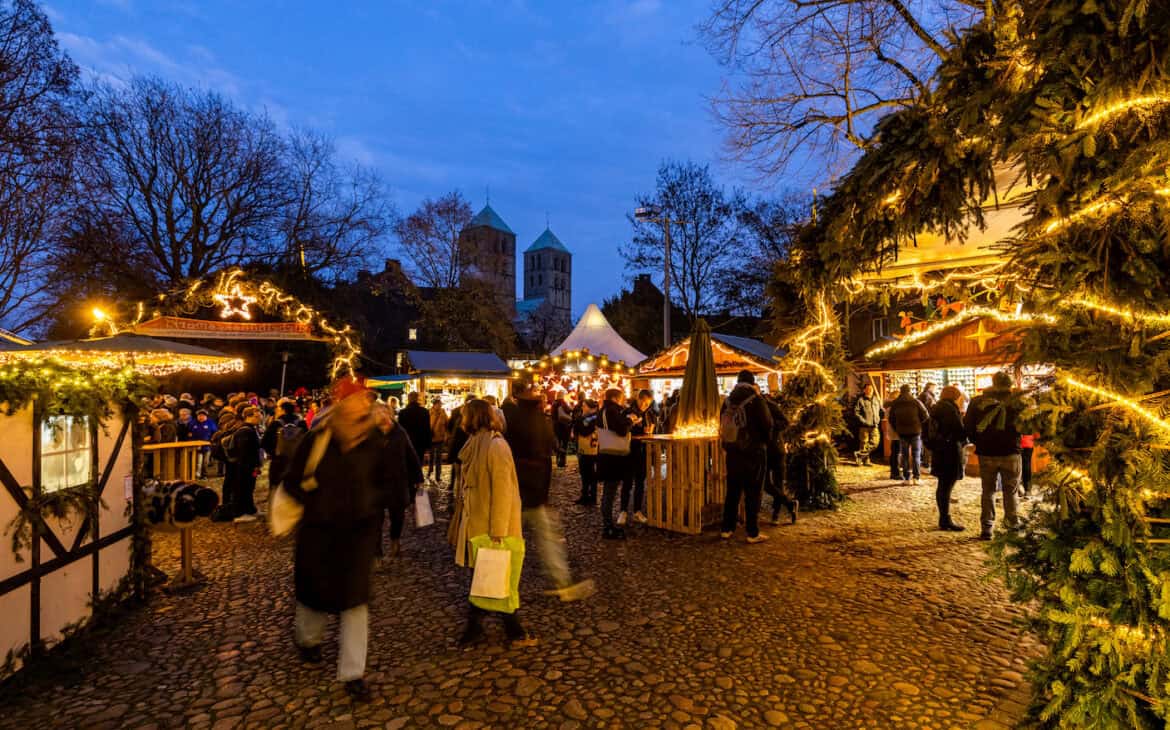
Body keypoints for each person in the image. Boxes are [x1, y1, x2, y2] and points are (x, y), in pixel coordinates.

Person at [280, 377, 393, 701]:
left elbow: (385, 478)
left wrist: (377, 505)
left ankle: (353, 672)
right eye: (359, 398)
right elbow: (292, 481)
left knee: (355, 603)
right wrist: (312, 502)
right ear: (342, 403)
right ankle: (309, 640)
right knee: (314, 594)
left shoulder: (374, 439)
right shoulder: (317, 439)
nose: (365, 404)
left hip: (358, 534)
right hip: (319, 531)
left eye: (367, 399)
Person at [452, 399, 535, 647]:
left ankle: (502, 629)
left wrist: (498, 530)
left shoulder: (496, 446)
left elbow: (503, 491)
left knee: (494, 577)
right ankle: (499, 629)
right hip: (478, 524)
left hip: (493, 527)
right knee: (487, 577)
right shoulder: (475, 443)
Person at [504, 383, 595, 602]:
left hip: (518, 489)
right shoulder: (541, 422)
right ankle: (562, 582)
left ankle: (495, 581)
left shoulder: (513, 422)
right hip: (534, 490)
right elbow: (547, 455)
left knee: (510, 539)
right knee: (546, 539)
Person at [964, 371, 1028, 540]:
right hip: (1011, 451)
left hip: (987, 452)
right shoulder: (1017, 402)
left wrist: (978, 440)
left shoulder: (978, 401)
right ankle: (1012, 525)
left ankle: (987, 527)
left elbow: (968, 426)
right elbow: (1026, 425)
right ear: (1010, 384)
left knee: (988, 491)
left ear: (992, 382)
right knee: (1011, 491)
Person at [719, 371, 774, 543]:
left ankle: (727, 528)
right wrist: (764, 443)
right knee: (753, 493)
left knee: (732, 491)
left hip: (733, 452)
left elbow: (722, 424)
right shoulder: (756, 400)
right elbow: (768, 424)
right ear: (752, 383)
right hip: (753, 452)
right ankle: (752, 532)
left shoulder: (728, 401)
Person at [371, 402, 423, 560]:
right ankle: (376, 552)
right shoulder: (369, 434)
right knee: (375, 520)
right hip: (375, 483)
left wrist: (418, 478)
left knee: (398, 516)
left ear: (390, 414)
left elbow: (411, 454)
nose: (382, 415)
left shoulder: (400, 432)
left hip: (397, 481)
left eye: (384, 412)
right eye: (378, 412)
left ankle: (395, 542)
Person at [597, 388, 636, 540]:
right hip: (611, 458)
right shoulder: (610, 411)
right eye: (622, 397)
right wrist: (630, 420)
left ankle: (608, 525)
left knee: (610, 491)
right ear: (615, 398)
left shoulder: (607, 410)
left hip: (610, 457)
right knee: (609, 492)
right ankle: (608, 527)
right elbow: (621, 430)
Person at [928, 386, 967, 531]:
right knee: (946, 485)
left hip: (939, 450)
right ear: (954, 396)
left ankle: (944, 517)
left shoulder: (937, 407)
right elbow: (959, 431)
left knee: (943, 485)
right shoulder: (950, 409)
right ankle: (945, 519)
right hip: (949, 451)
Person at [620, 389, 655, 526]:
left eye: (648, 404)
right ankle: (623, 511)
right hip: (629, 452)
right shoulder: (627, 412)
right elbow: (622, 430)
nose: (645, 405)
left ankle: (637, 511)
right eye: (644, 402)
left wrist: (650, 431)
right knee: (627, 482)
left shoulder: (650, 414)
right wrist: (634, 425)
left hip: (643, 452)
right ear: (638, 399)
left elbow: (653, 428)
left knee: (640, 482)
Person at [763, 393, 798, 524]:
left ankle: (775, 514)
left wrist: (771, 427)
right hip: (764, 451)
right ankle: (790, 504)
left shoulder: (770, 406)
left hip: (776, 450)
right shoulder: (754, 407)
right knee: (765, 484)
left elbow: (785, 422)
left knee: (778, 483)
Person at [888, 384, 930, 485]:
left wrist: (897, 428)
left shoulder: (896, 403)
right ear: (910, 391)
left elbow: (891, 418)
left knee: (905, 455)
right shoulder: (916, 402)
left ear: (901, 391)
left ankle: (907, 478)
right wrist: (919, 425)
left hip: (902, 433)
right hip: (915, 432)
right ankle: (916, 477)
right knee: (916, 455)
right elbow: (925, 415)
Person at [262, 400, 307, 488]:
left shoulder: (275, 424)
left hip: (279, 462)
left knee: (277, 487)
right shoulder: (301, 423)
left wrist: (273, 453)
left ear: (282, 410)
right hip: (297, 462)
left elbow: (264, 442)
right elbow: (307, 440)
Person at [230, 406, 264, 523]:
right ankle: (239, 513)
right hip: (244, 466)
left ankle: (250, 509)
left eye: (260, 415)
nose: (259, 418)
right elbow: (244, 452)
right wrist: (252, 465)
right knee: (242, 488)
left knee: (249, 488)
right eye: (257, 416)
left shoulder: (251, 429)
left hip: (249, 465)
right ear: (248, 416)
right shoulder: (245, 431)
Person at [397, 392, 433, 472]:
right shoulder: (424, 412)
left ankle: (411, 481)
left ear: (408, 399)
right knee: (419, 461)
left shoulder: (403, 412)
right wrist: (428, 443)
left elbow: (400, 429)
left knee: (408, 462)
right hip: (420, 442)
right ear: (417, 399)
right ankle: (418, 479)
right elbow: (427, 428)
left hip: (408, 441)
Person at [573, 399, 600, 506]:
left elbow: (584, 431)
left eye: (584, 406)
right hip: (585, 449)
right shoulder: (587, 418)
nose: (582, 408)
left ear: (591, 408)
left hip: (591, 450)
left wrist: (578, 422)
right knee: (585, 474)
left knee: (590, 475)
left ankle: (591, 497)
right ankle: (585, 495)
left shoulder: (593, 418)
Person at [853, 383, 883, 466]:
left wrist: (879, 419)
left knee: (875, 443)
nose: (870, 390)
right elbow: (856, 412)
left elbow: (880, 410)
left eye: (871, 389)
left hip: (874, 425)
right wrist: (863, 421)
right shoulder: (861, 400)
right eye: (868, 389)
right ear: (864, 390)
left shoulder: (876, 399)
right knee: (864, 443)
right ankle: (865, 460)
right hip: (864, 426)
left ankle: (859, 455)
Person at [188, 409, 218, 479]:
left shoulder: (211, 423)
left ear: (206, 416)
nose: (201, 417)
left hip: (207, 446)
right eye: (199, 415)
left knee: (205, 462)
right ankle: (197, 475)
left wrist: (212, 441)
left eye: (203, 415)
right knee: (198, 462)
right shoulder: (193, 423)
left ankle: (204, 474)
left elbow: (215, 433)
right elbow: (189, 433)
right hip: (196, 446)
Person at [428, 397, 449, 481]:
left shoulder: (443, 413)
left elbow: (447, 423)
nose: (440, 405)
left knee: (439, 457)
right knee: (431, 456)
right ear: (434, 405)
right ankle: (430, 471)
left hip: (440, 437)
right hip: (431, 438)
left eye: (440, 404)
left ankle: (438, 475)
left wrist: (446, 434)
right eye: (439, 404)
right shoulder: (429, 412)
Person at [552, 394, 574, 468]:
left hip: (556, 427)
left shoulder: (553, 404)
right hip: (564, 427)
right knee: (564, 444)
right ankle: (562, 462)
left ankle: (557, 460)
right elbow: (569, 410)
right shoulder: (563, 403)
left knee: (558, 443)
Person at [1019, 432, 1036, 498]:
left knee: (1019, 466)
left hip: (1019, 444)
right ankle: (1027, 489)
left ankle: (1019, 489)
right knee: (1026, 466)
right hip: (1028, 444)